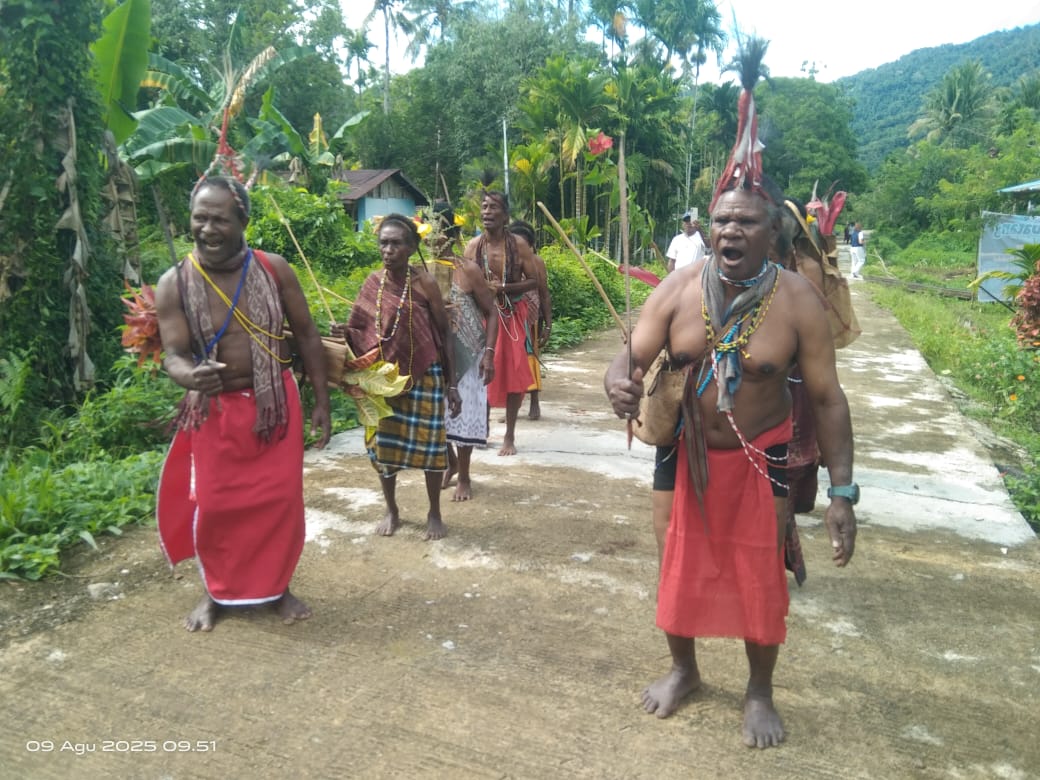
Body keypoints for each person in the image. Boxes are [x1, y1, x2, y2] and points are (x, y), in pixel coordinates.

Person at [604, 182, 858, 748]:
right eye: (721, 221)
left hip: (759, 453)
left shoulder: (797, 301)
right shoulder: (679, 289)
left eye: (745, 222)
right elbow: (633, 355)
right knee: (674, 560)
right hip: (682, 448)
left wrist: (843, 492)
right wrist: (617, 382)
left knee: (759, 574)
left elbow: (827, 398)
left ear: (772, 234)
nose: (729, 231)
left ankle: (759, 691)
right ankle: (683, 669)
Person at [155, 175, 331, 633]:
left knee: (280, 502)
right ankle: (216, 592)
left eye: (219, 219)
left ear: (243, 221)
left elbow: (308, 336)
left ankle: (277, 589)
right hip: (213, 412)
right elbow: (173, 354)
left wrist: (321, 403)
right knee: (214, 506)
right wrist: (190, 376)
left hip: (276, 406)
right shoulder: (173, 282)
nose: (208, 229)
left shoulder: (275, 269)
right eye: (200, 218)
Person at [338, 214, 461, 540]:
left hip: (426, 375)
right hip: (382, 378)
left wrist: (454, 384)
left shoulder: (426, 284)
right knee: (385, 448)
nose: (388, 249)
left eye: (396, 243)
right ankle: (392, 509)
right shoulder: (372, 283)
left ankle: (434, 512)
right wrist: (343, 333)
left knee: (431, 446)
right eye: (384, 243)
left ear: (410, 248)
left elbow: (443, 333)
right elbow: (360, 330)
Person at [463, 192, 549, 455]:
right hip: (482, 316)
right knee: (481, 374)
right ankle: (483, 430)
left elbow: (534, 282)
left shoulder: (519, 246)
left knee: (512, 374)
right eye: (484, 207)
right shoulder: (472, 246)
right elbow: (464, 283)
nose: (487, 212)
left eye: (494, 207)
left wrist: (503, 288)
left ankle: (509, 436)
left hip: (511, 316)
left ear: (505, 215)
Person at [434, 205, 499, 502]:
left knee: (466, 413)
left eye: (441, 235)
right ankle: (450, 462)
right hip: (436, 355)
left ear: (453, 236)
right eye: (430, 236)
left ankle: (466, 475)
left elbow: (492, 312)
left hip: (470, 354)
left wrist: (488, 354)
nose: (436, 242)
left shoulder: (468, 270)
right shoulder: (422, 271)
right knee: (439, 416)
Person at [508, 220, 553, 421]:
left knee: (531, 357)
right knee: (511, 362)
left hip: (531, 317)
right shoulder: (503, 260)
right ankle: (512, 408)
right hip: (509, 315)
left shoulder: (536, 262)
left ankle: (534, 400)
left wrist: (549, 325)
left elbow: (544, 293)